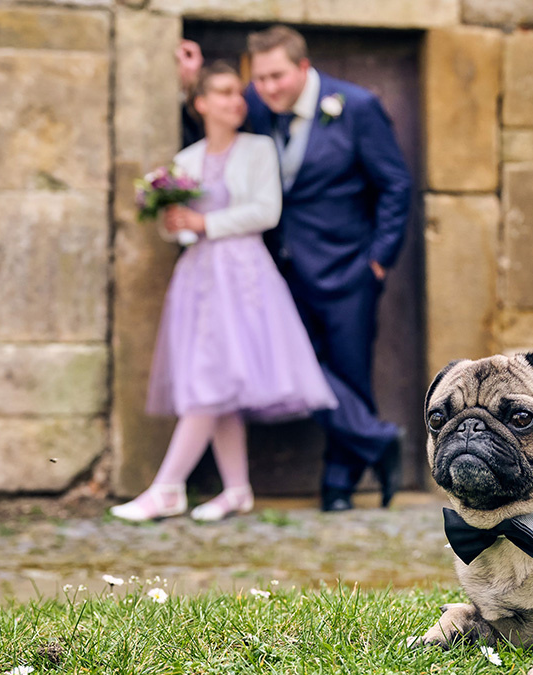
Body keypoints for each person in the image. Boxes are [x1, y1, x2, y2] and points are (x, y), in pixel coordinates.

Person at [178, 28, 413, 512]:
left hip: (350, 269)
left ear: (303, 68)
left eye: (276, 76)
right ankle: (376, 439)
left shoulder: (357, 106)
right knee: (295, 371)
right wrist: (189, 86)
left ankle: (339, 486)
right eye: (258, 79)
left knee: (349, 371)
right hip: (279, 273)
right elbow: (213, 139)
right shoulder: (258, 106)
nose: (266, 89)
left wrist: (379, 260)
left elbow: (395, 185)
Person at [111, 62, 337, 522]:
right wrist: (177, 225)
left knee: (214, 383)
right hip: (200, 280)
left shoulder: (257, 150)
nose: (236, 101)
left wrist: (205, 223)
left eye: (238, 93)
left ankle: (168, 487)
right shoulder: (188, 160)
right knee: (215, 382)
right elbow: (180, 229)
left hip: (244, 275)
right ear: (201, 104)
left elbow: (267, 211)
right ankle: (236, 489)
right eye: (224, 93)